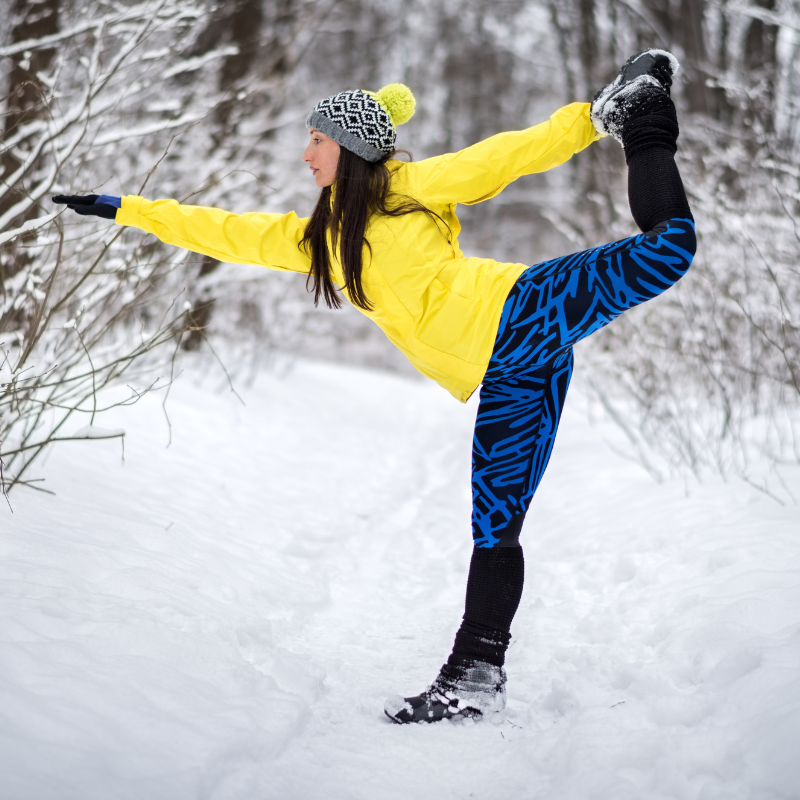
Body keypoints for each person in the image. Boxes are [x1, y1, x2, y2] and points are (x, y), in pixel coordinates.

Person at [54, 49, 695, 725]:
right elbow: (224, 231)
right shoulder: (324, 241)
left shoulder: (411, 187)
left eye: (317, 140)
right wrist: (125, 208)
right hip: (509, 367)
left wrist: (589, 121)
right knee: (495, 525)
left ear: (352, 147)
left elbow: (504, 156)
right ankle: (474, 676)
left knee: (667, 248)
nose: (306, 155)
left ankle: (640, 111)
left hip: (522, 306)